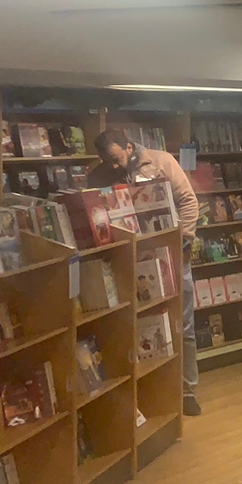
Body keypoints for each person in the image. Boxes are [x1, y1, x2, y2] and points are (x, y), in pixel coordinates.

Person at [90, 129, 202, 415]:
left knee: (182, 322)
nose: (113, 166)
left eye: (116, 158)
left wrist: (183, 239)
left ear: (129, 147)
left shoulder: (162, 162)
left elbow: (188, 202)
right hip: (126, 260)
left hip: (171, 255)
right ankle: (147, 389)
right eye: (106, 161)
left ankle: (187, 389)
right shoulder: (100, 175)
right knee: (132, 324)